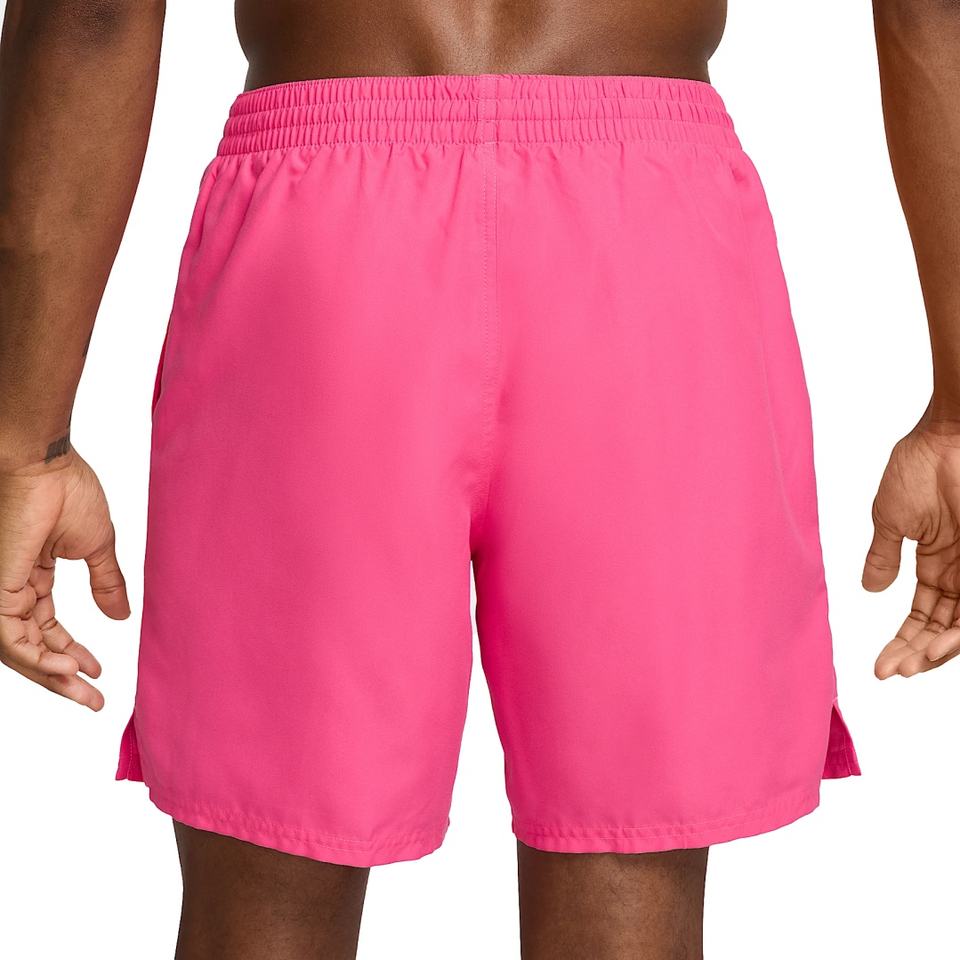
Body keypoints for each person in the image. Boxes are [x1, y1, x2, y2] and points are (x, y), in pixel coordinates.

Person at [0, 2, 949, 958]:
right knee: (630, 879)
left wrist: (25, 443)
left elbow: (92, 12)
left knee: (267, 892)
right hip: (649, 243)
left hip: (323, 239)